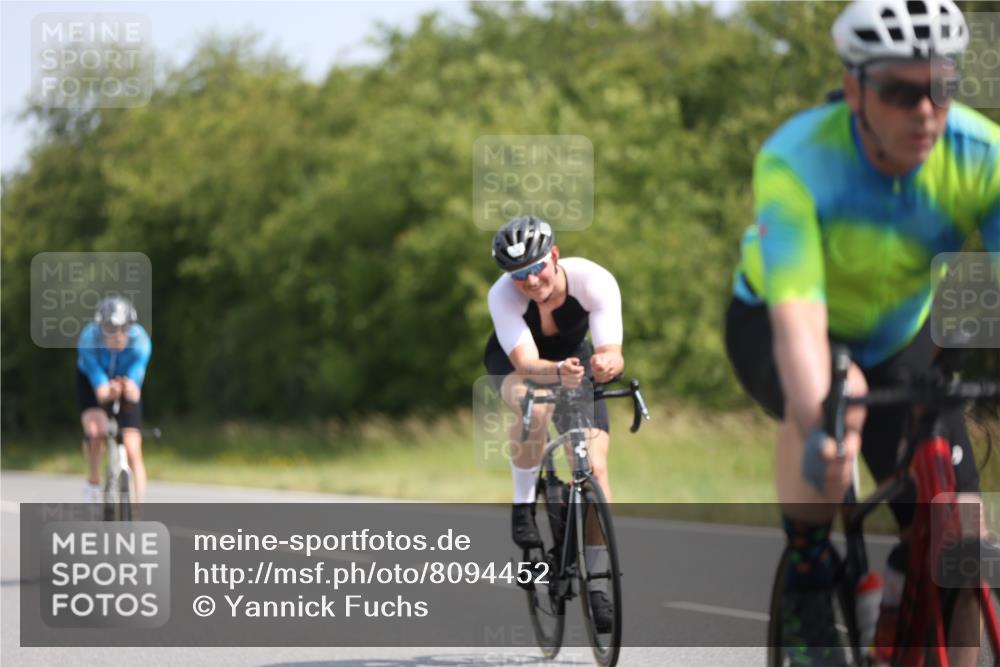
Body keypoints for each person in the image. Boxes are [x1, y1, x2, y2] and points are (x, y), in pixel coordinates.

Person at [724, 0, 999, 663]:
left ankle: (914, 585)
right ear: (854, 89)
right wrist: (823, 420)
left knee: (966, 546)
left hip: (900, 330)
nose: (925, 111)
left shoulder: (979, 154)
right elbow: (799, 316)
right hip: (781, 318)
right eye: (901, 92)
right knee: (833, 407)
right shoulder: (798, 159)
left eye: (940, 87)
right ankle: (812, 572)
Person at [485, 215, 624, 631]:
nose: (529, 280)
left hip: (574, 360)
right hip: (515, 364)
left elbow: (613, 352)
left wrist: (605, 363)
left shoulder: (594, 281)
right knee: (537, 406)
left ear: (555, 256)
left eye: (536, 267)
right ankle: (524, 504)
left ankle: (599, 580)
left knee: (596, 468)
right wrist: (555, 374)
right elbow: (527, 363)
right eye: (518, 274)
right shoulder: (503, 297)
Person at [78, 296, 153, 505]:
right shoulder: (88, 340)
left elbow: (135, 393)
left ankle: (138, 512)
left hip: (125, 382)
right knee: (96, 433)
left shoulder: (141, 343)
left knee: (132, 447)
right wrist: (108, 390)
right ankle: (93, 481)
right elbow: (101, 392)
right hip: (93, 381)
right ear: (101, 328)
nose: (118, 335)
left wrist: (128, 389)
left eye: (124, 329)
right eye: (111, 329)